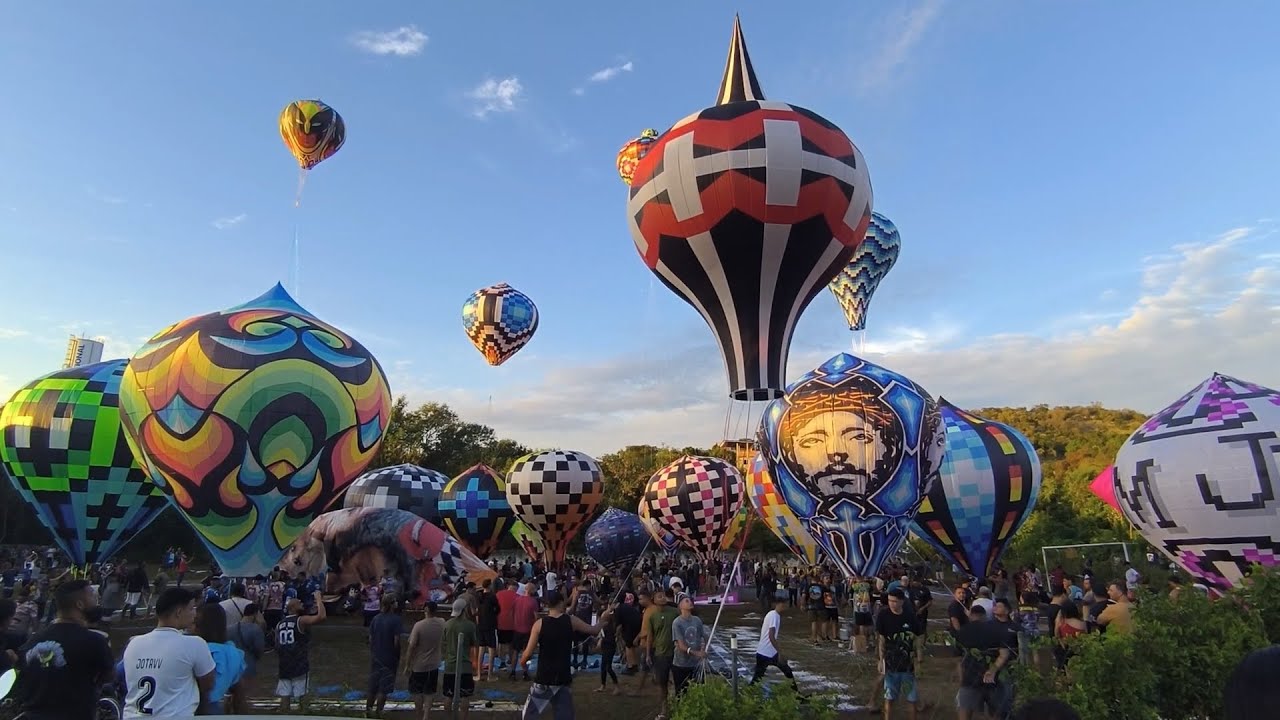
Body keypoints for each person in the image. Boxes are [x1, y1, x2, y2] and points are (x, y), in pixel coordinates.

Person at [9, 579, 114, 720]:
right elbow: (108, 676)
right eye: (91, 595)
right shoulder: (94, 641)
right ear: (80, 604)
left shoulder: (32, 642)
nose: (96, 599)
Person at [121, 587, 216, 719]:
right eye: (191, 608)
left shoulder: (133, 644)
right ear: (178, 612)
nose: (195, 613)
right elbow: (208, 684)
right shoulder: (194, 644)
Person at [519, 590, 613, 719]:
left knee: (530, 715)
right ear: (561, 602)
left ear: (547, 604)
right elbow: (594, 630)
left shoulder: (539, 625)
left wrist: (523, 665)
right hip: (563, 675)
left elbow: (527, 653)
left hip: (544, 677)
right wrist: (604, 618)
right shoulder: (571, 621)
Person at [954, 605, 1013, 720]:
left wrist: (961, 679)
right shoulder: (995, 630)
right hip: (992, 680)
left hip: (969, 678)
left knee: (965, 710)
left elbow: (958, 659)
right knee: (995, 713)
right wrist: (993, 670)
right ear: (984, 616)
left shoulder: (962, 632)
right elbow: (1004, 654)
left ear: (971, 615)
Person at [276, 590, 326, 714]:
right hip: (299, 663)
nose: (302, 603)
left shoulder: (279, 624)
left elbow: (277, 645)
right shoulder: (300, 620)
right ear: (293, 608)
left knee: (284, 697)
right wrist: (319, 599)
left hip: (284, 664)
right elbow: (321, 616)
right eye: (299, 603)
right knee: (302, 698)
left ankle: (284, 716)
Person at [876, 588, 923, 720]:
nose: (892, 604)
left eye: (895, 601)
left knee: (911, 700)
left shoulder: (910, 616)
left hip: (908, 666)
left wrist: (919, 659)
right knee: (889, 698)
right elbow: (881, 639)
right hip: (891, 664)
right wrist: (880, 660)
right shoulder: (883, 615)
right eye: (890, 600)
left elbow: (918, 637)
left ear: (902, 602)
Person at [192, 602, 247, 715]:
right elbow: (239, 696)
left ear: (200, 625)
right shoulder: (233, 653)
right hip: (215, 709)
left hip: (192, 709)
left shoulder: (197, 649)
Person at [749, 593, 798, 690]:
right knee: (758, 677)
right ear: (781, 604)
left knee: (786, 672)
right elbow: (771, 636)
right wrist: (780, 652)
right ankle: (796, 695)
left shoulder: (774, 615)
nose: (787, 607)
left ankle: (797, 695)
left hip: (766, 652)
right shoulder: (774, 616)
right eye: (786, 604)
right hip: (767, 652)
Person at [367, 594, 405, 718]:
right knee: (384, 687)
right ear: (392, 604)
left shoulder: (376, 618)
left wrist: (374, 652)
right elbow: (396, 641)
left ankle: (368, 711)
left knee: (373, 685)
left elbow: (371, 639)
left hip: (376, 656)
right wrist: (397, 655)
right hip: (389, 657)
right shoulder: (396, 620)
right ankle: (379, 712)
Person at [407, 601, 446, 720]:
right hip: (434, 664)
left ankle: (419, 714)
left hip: (419, 664)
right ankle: (426, 716)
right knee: (430, 692)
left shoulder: (419, 625)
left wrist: (407, 664)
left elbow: (411, 647)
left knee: (417, 692)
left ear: (426, 610)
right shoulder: (441, 622)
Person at [443, 597, 480, 719]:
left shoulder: (447, 624)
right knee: (465, 696)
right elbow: (475, 644)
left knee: (448, 695)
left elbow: (443, 643)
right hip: (465, 665)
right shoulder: (470, 626)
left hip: (449, 665)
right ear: (464, 610)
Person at [646, 590, 680, 718]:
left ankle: (679, 706)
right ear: (653, 600)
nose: (662, 598)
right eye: (659, 596)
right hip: (660, 653)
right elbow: (650, 637)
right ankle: (664, 709)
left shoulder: (675, 612)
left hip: (676, 652)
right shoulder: (652, 617)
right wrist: (648, 654)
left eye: (663, 596)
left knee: (678, 681)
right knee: (662, 683)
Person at [670, 596, 706, 699]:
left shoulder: (697, 620)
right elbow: (681, 646)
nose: (690, 602)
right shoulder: (677, 623)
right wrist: (697, 653)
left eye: (690, 601)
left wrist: (703, 649)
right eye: (687, 601)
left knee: (699, 692)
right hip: (681, 664)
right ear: (680, 605)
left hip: (695, 664)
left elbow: (703, 637)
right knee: (681, 694)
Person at [227, 602, 265, 700]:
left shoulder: (230, 629)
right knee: (247, 695)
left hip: (232, 666)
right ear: (256, 614)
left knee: (231, 695)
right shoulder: (256, 629)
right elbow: (260, 649)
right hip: (249, 665)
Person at [510, 581, 540, 681]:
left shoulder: (516, 599)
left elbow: (512, 613)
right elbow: (536, 617)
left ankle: (513, 672)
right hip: (528, 630)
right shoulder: (533, 602)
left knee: (515, 651)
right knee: (526, 652)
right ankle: (525, 672)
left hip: (517, 629)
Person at [474, 579, 500, 680]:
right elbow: (498, 609)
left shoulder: (479, 596)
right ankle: (490, 675)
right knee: (491, 649)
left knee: (481, 648)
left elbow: (477, 610)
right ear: (490, 585)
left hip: (481, 624)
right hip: (490, 624)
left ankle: (479, 674)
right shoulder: (492, 597)